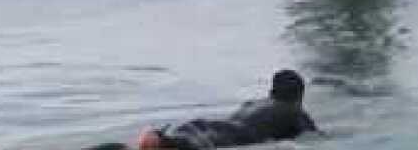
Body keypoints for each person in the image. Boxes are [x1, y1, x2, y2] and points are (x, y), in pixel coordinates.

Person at [85, 70, 320, 150]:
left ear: (271, 91)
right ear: (299, 95)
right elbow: (316, 139)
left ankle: (160, 142)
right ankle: (163, 143)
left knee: (196, 135)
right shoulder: (294, 111)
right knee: (202, 144)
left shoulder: (253, 103)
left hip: (207, 125)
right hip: (232, 135)